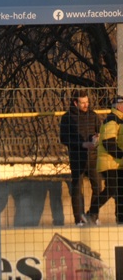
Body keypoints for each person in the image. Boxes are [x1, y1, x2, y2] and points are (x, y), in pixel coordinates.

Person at [59, 89, 103, 225]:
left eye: (87, 102)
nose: (86, 105)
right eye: (83, 103)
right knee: (77, 188)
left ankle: (93, 216)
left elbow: (100, 131)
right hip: (77, 158)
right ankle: (79, 219)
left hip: (93, 157)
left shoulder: (93, 115)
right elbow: (64, 138)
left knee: (98, 186)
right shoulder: (67, 118)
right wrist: (82, 144)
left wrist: (98, 137)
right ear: (75, 103)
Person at [96, 95, 123, 225]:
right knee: (111, 189)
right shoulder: (112, 119)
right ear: (119, 106)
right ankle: (91, 213)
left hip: (117, 163)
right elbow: (108, 143)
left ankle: (121, 219)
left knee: (120, 192)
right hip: (109, 162)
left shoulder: (119, 120)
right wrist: (121, 155)